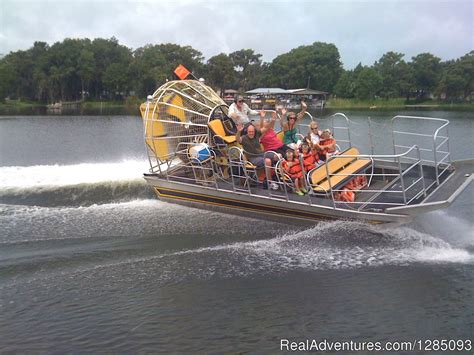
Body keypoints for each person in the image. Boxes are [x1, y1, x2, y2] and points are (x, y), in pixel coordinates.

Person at [235, 111, 278, 190]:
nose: (251, 133)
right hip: (253, 158)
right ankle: (270, 182)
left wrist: (273, 119)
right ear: (247, 132)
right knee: (268, 161)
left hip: (261, 154)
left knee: (277, 156)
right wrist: (239, 131)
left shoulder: (256, 134)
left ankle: (279, 177)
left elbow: (266, 128)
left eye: (252, 131)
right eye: (249, 132)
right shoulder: (244, 138)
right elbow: (238, 139)